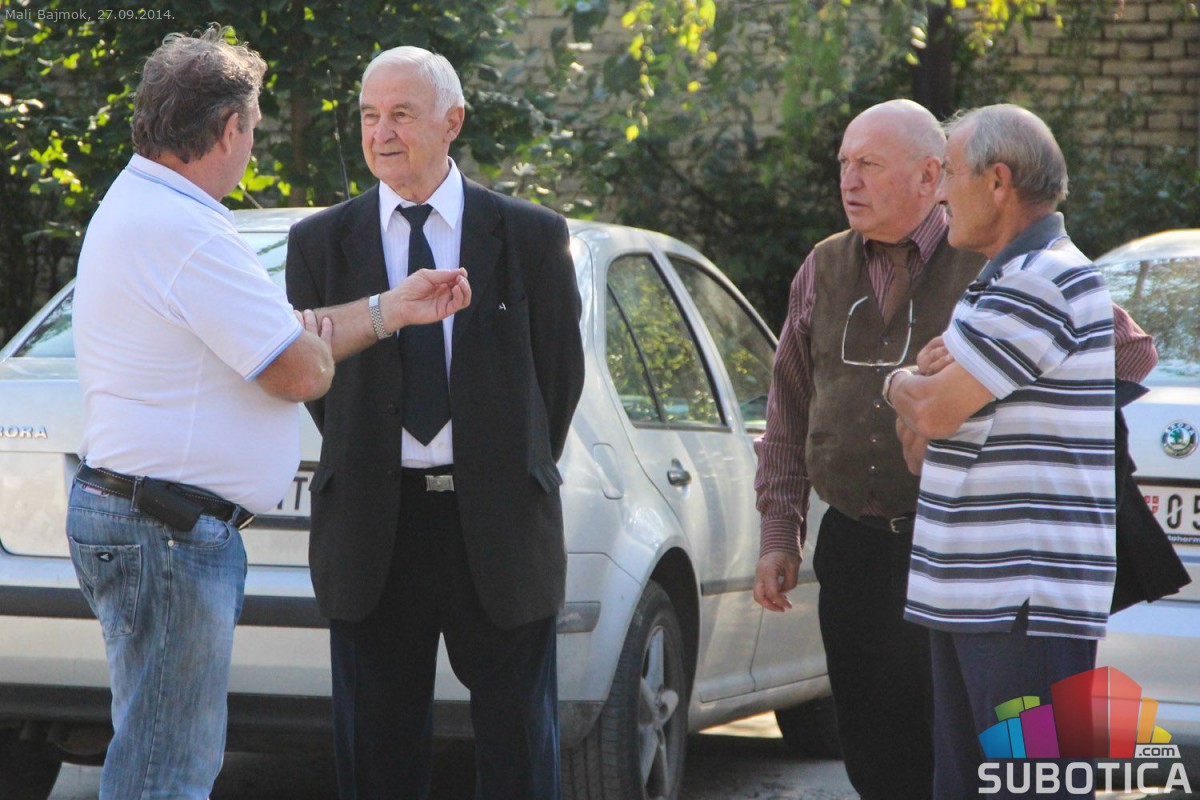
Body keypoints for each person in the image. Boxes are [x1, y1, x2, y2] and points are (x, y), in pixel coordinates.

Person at [66, 26, 468, 800]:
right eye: (252, 128)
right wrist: (308, 346)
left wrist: (388, 310)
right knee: (166, 773)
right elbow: (299, 370)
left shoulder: (147, 204)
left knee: (156, 757)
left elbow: (284, 340)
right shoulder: (187, 231)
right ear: (228, 128)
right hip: (168, 531)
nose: (252, 146)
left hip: (151, 519)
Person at [285, 46, 585, 799]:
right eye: (369, 116)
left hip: (498, 525)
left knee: (520, 754)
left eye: (401, 114)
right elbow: (319, 384)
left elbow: (558, 377)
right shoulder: (320, 243)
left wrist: (496, 462)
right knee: (377, 758)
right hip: (373, 530)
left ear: (452, 122)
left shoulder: (529, 235)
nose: (381, 133)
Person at [751, 99, 984, 799]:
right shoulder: (823, 265)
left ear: (930, 177)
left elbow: (1124, 354)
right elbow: (788, 409)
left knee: (968, 749)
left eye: (870, 165)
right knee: (873, 752)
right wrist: (780, 534)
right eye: (844, 164)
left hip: (962, 547)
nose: (849, 181)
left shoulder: (993, 260)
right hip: (856, 548)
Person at [886, 104, 1120, 798]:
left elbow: (931, 411)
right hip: (976, 597)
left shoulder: (1043, 280)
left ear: (997, 181)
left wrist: (896, 382)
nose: (938, 194)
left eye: (949, 174)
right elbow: (920, 450)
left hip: (1024, 603)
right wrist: (924, 395)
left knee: (1033, 788)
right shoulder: (993, 288)